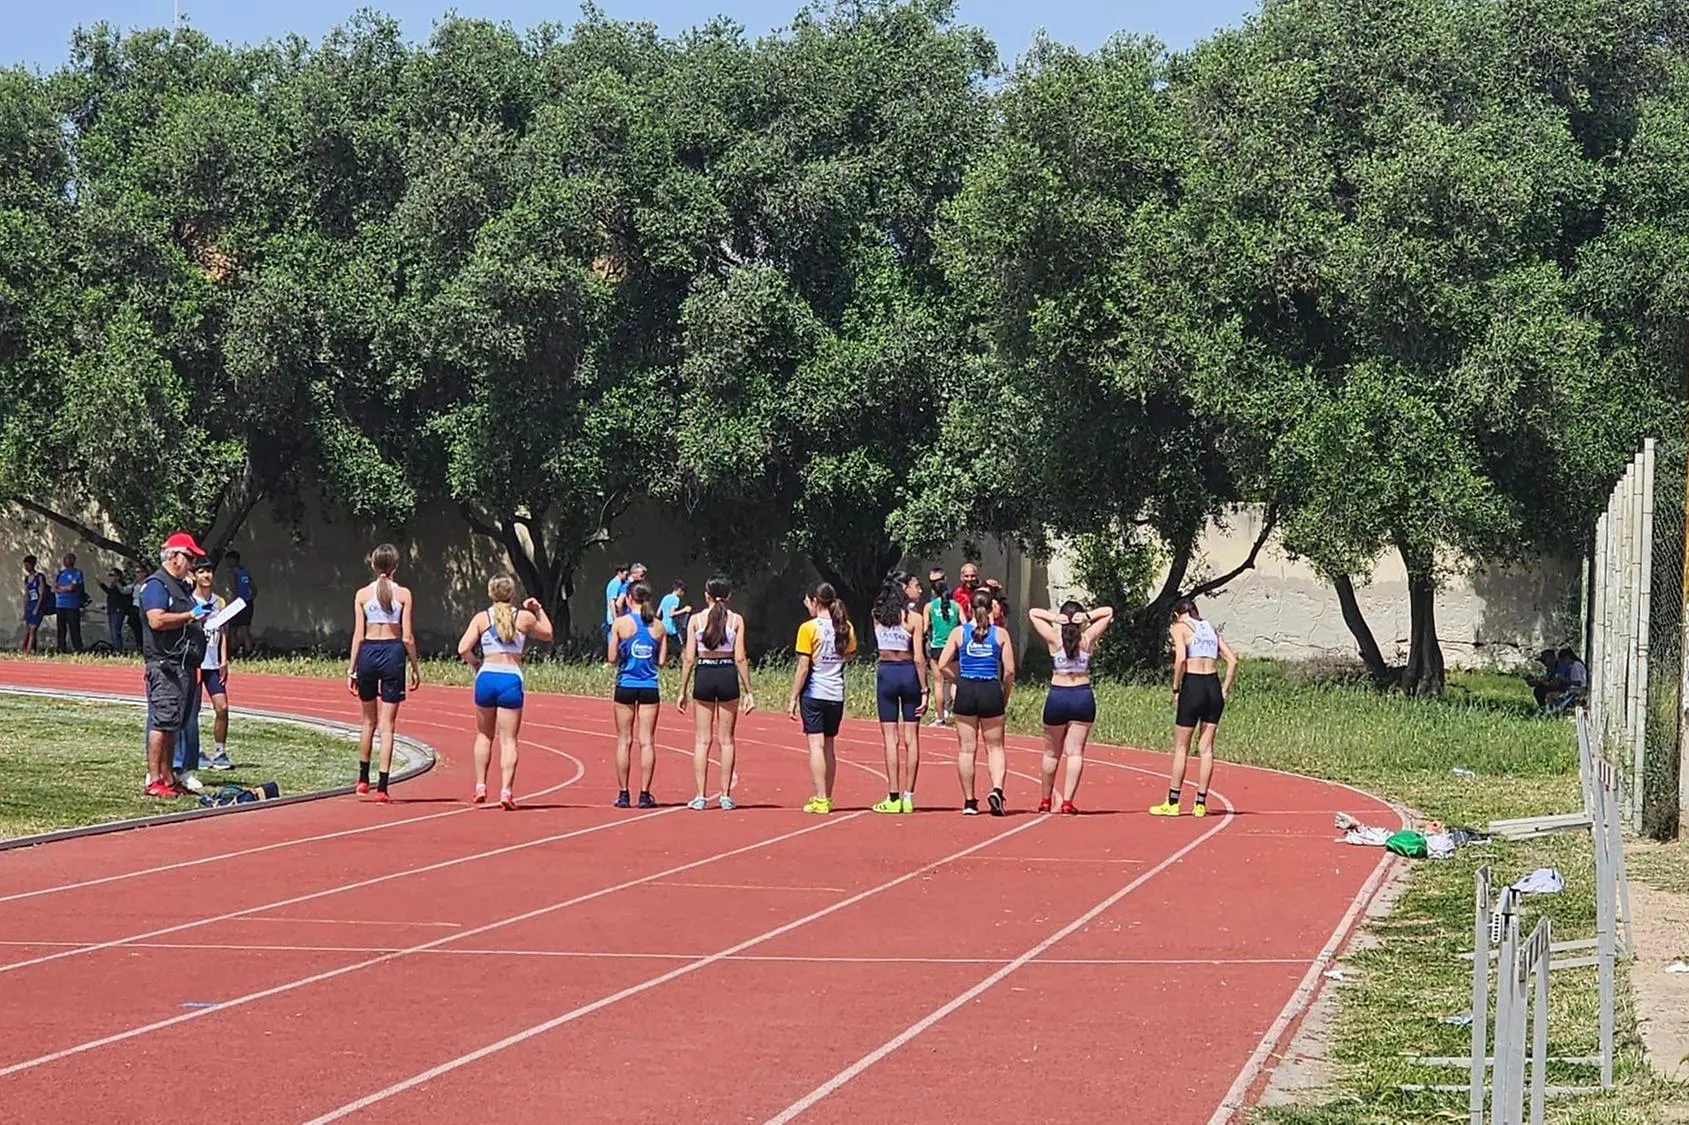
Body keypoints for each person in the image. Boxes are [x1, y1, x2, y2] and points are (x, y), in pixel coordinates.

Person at [459, 575, 553, 809]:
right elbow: (548, 634)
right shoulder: (524, 618)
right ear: (512, 593)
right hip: (510, 677)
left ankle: (480, 785)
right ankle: (506, 790)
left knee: (484, 735)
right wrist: (538, 609)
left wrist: (476, 665)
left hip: (487, 677)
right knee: (509, 740)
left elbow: (463, 648)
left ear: (491, 593)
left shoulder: (482, 618)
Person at [139, 533, 215, 797]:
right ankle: (155, 780)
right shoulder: (157, 586)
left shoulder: (180, 586)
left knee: (174, 723)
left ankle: (170, 777)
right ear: (174, 556)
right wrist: (189, 615)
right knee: (162, 722)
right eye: (189, 558)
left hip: (182, 664)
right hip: (165, 665)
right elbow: (156, 620)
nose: (192, 564)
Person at [346, 544, 420, 804]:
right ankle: (383, 787)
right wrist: (415, 667)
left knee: (368, 721)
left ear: (373, 565)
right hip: (392, 653)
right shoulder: (404, 594)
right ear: (396, 566)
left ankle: (363, 779)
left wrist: (351, 668)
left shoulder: (362, 595)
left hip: (368, 652)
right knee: (388, 725)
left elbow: (357, 634)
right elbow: (408, 636)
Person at [1152, 597, 1238, 817]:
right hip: (1213, 686)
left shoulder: (1179, 627)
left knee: (1182, 747)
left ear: (1177, 614)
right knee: (1206, 748)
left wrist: (1175, 687)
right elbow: (1232, 660)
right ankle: (1200, 803)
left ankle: (1173, 802)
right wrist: (1225, 689)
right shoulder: (1210, 628)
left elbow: (1180, 658)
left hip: (1193, 685)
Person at [1029, 601, 1115, 814]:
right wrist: (1088, 616)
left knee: (1051, 753)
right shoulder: (1087, 639)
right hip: (1082, 696)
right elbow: (1108, 612)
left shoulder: (1054, 639)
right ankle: (1067, 802)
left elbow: (1033, 613)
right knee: (1075, 753)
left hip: (1058, 695)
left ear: (1062, 619)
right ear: (1079, 622)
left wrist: (1053, 619)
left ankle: (1046, 800)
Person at [938, 587, 1016, 815]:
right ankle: (997, 790)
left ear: (969, 609)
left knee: (966, 749)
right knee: (995, 747)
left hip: (967, 688)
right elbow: (1009, 671)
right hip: (990, 687)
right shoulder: (1000, 634)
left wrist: (958, 680)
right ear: (993, 607)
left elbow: (942, 664)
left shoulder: (959, 633)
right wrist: (1004, 695)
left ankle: (970, 802)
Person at [677, 574, 753, 809]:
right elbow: (740, 657)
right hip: (727, 673)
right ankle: (725, 796)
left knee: (702, 740)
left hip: (705, 674)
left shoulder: (695, 620)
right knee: (727, 740)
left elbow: (689, 658)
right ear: (729, 596)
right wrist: (749, 690)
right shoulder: (736, 620)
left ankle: (700, 796)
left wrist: (682, 689)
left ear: (706, 595)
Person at [788, 582, 857, 814]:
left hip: (814, 693)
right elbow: (850, 654)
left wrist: (792, 697)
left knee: (815, 746)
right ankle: (827, 796)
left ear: (814, 602)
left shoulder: (808, 628)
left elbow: (803, 666)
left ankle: (820, 798)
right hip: (836, 693)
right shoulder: (845, 626)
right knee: (829, 746)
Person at [871, 570, 927, 814]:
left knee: (890, 739)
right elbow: (919, 658)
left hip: (886, 673)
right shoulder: (914, 619)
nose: (919, 589)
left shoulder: (876, 615)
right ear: (904, 588)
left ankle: (892, 796)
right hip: (907, 673)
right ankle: (908, 796)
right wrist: (924, 688)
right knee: (911, 738)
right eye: (916, 585)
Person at [609, 580, 666, 808]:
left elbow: (612, 657)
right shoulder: (659, 627)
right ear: (649, 599)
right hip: (649, 686)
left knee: (624, 740)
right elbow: (661, 661)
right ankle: (644, 793)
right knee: (647, 742)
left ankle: (623, 794)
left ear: (630, 598)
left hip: (626, 683)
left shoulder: (620, 624)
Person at [181, 557, 234, 773]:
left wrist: (224, 659)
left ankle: (220, 752)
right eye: (201, 572)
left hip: (213, 663)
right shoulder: (188, 601)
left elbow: (222, 633)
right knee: (190, 712)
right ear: (194, 575)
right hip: (195, 662)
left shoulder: (219, 602)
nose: (206, 576)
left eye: (209, 572)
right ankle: (195, 752)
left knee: (222, 707)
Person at [924, 578, 961, 726]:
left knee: (938, 683)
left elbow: (925, 628)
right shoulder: (957, 606)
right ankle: (960, 716)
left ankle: (940, 718)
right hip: (953, 647)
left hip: (937, 647)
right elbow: (964, 624)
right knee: (955, 682)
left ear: (934, 591)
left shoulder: (930, 606)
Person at [224, 550, 256, 655]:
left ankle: (233, 652)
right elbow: (254, 589)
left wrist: (229, 605)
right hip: (248, 603)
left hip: (237, 603)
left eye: (229, 560)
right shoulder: (245, 571)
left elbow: (234, 589)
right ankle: (248, 652)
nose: (227, 562)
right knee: (245, 629)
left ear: (233, 560)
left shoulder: (231, 572)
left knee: (233, 630)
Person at [53, 551, 85, 653]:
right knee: (61, 629)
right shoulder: (60, 574)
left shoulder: (77, 573)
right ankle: (61, 649)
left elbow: (72, 587)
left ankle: (78, 648)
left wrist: (61, 588)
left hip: (72, 605)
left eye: (67, 559)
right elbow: (53, 588)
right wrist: (64, 588)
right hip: (60, 604)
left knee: (74, 628)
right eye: (64, 559)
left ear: (72, 560)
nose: (64, 561)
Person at [98, 567, 134, 654]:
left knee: (115, 631)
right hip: (112, 610)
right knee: (113, 631)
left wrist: (117, 583)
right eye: (110, 575)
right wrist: (101, 584)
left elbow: (123, 593)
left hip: (118, 610)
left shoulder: (120, 584)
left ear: (118, 576)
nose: (110, 577)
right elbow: (110, 593)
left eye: (112, 575)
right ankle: (116, 649)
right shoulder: (113, 586)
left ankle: (118, 650)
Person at [657, 579, 691, 664]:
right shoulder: (675, 599)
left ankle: (661, 663)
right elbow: (671, 614)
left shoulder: (665, 597)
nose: (683, 595)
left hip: (663, 625)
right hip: (672, 628)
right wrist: (684, 610)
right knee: (682, 646)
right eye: (683, 592)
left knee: (663, 646)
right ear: (679, 590)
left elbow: (658, 613)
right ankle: (685, 664)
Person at [21, 555, 46, 654]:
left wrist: (37, 607)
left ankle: (27, 651)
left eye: (28, 565)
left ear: (33, 565)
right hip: (29, 606)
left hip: (37, 606)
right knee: (30, 629)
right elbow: (26, 594)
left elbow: (41, 594)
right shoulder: (27, 579)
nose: (26, 567)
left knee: (33, 629)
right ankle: (33, 649)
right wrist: (24, 609)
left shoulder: (39, 577)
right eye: (25, 565)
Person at [603, 563, 630, 644]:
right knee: (614, 642)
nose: (627, 577)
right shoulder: (615, 583)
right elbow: (612, 602)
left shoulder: (620, 583)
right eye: (626, 574)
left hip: (616, 618)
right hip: (613, 618)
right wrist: (616, 619)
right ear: (619, 573)